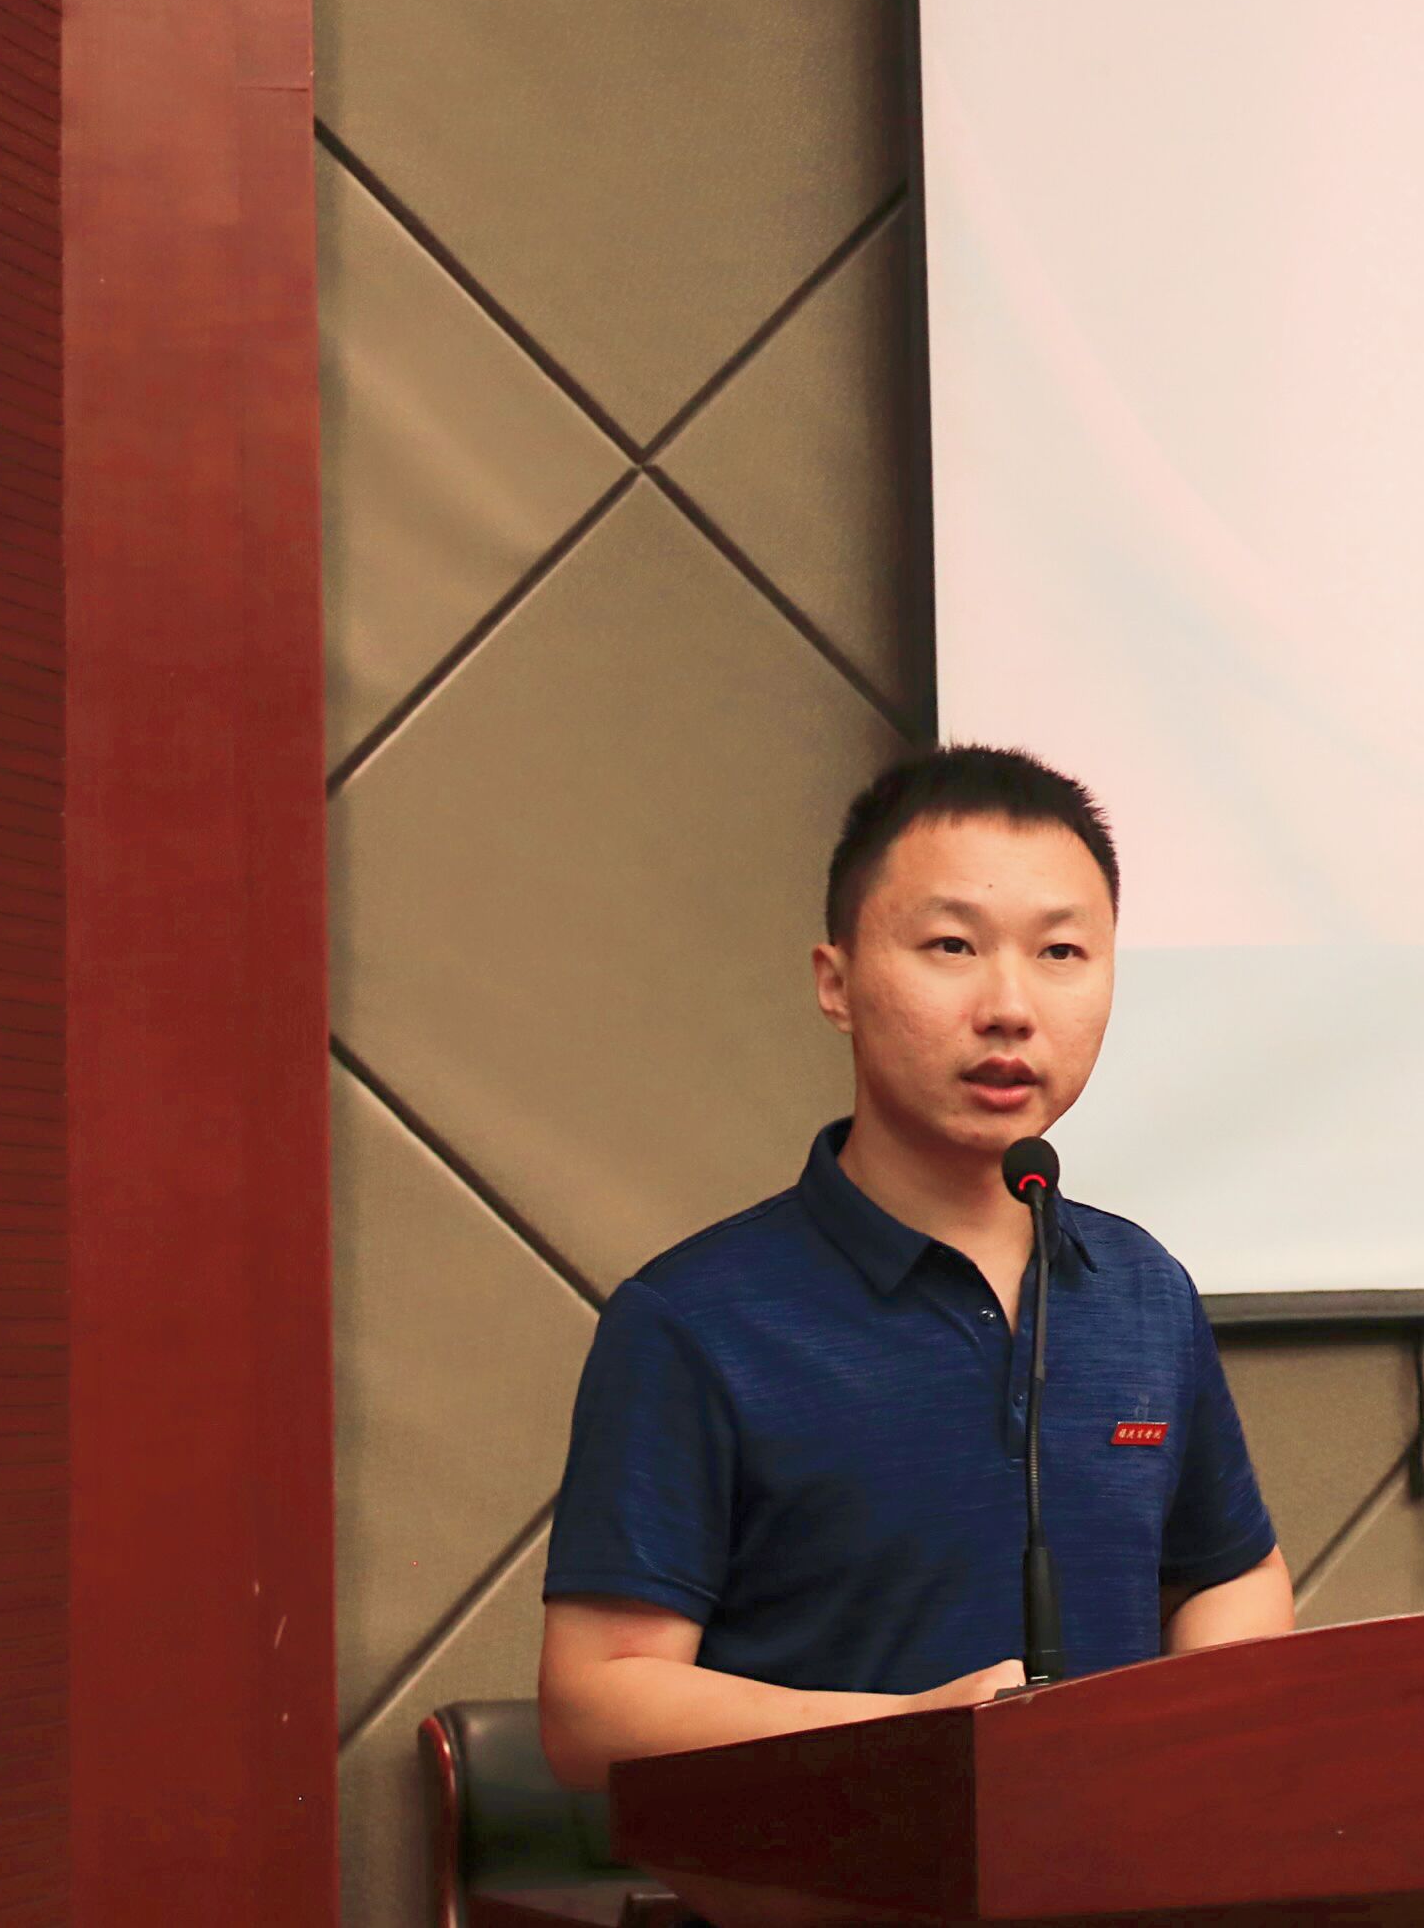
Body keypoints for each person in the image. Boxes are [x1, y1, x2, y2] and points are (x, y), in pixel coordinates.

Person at [537, 746, 1292, 1790]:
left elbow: (1231, 1573)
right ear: (836, 982)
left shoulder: (1141, 1289)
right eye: (952, 944)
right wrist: (905, 1734)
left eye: (1061, 950)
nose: (1010, 1005)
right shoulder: (695, 1320)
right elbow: (595, 1701)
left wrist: (1200, 1740)